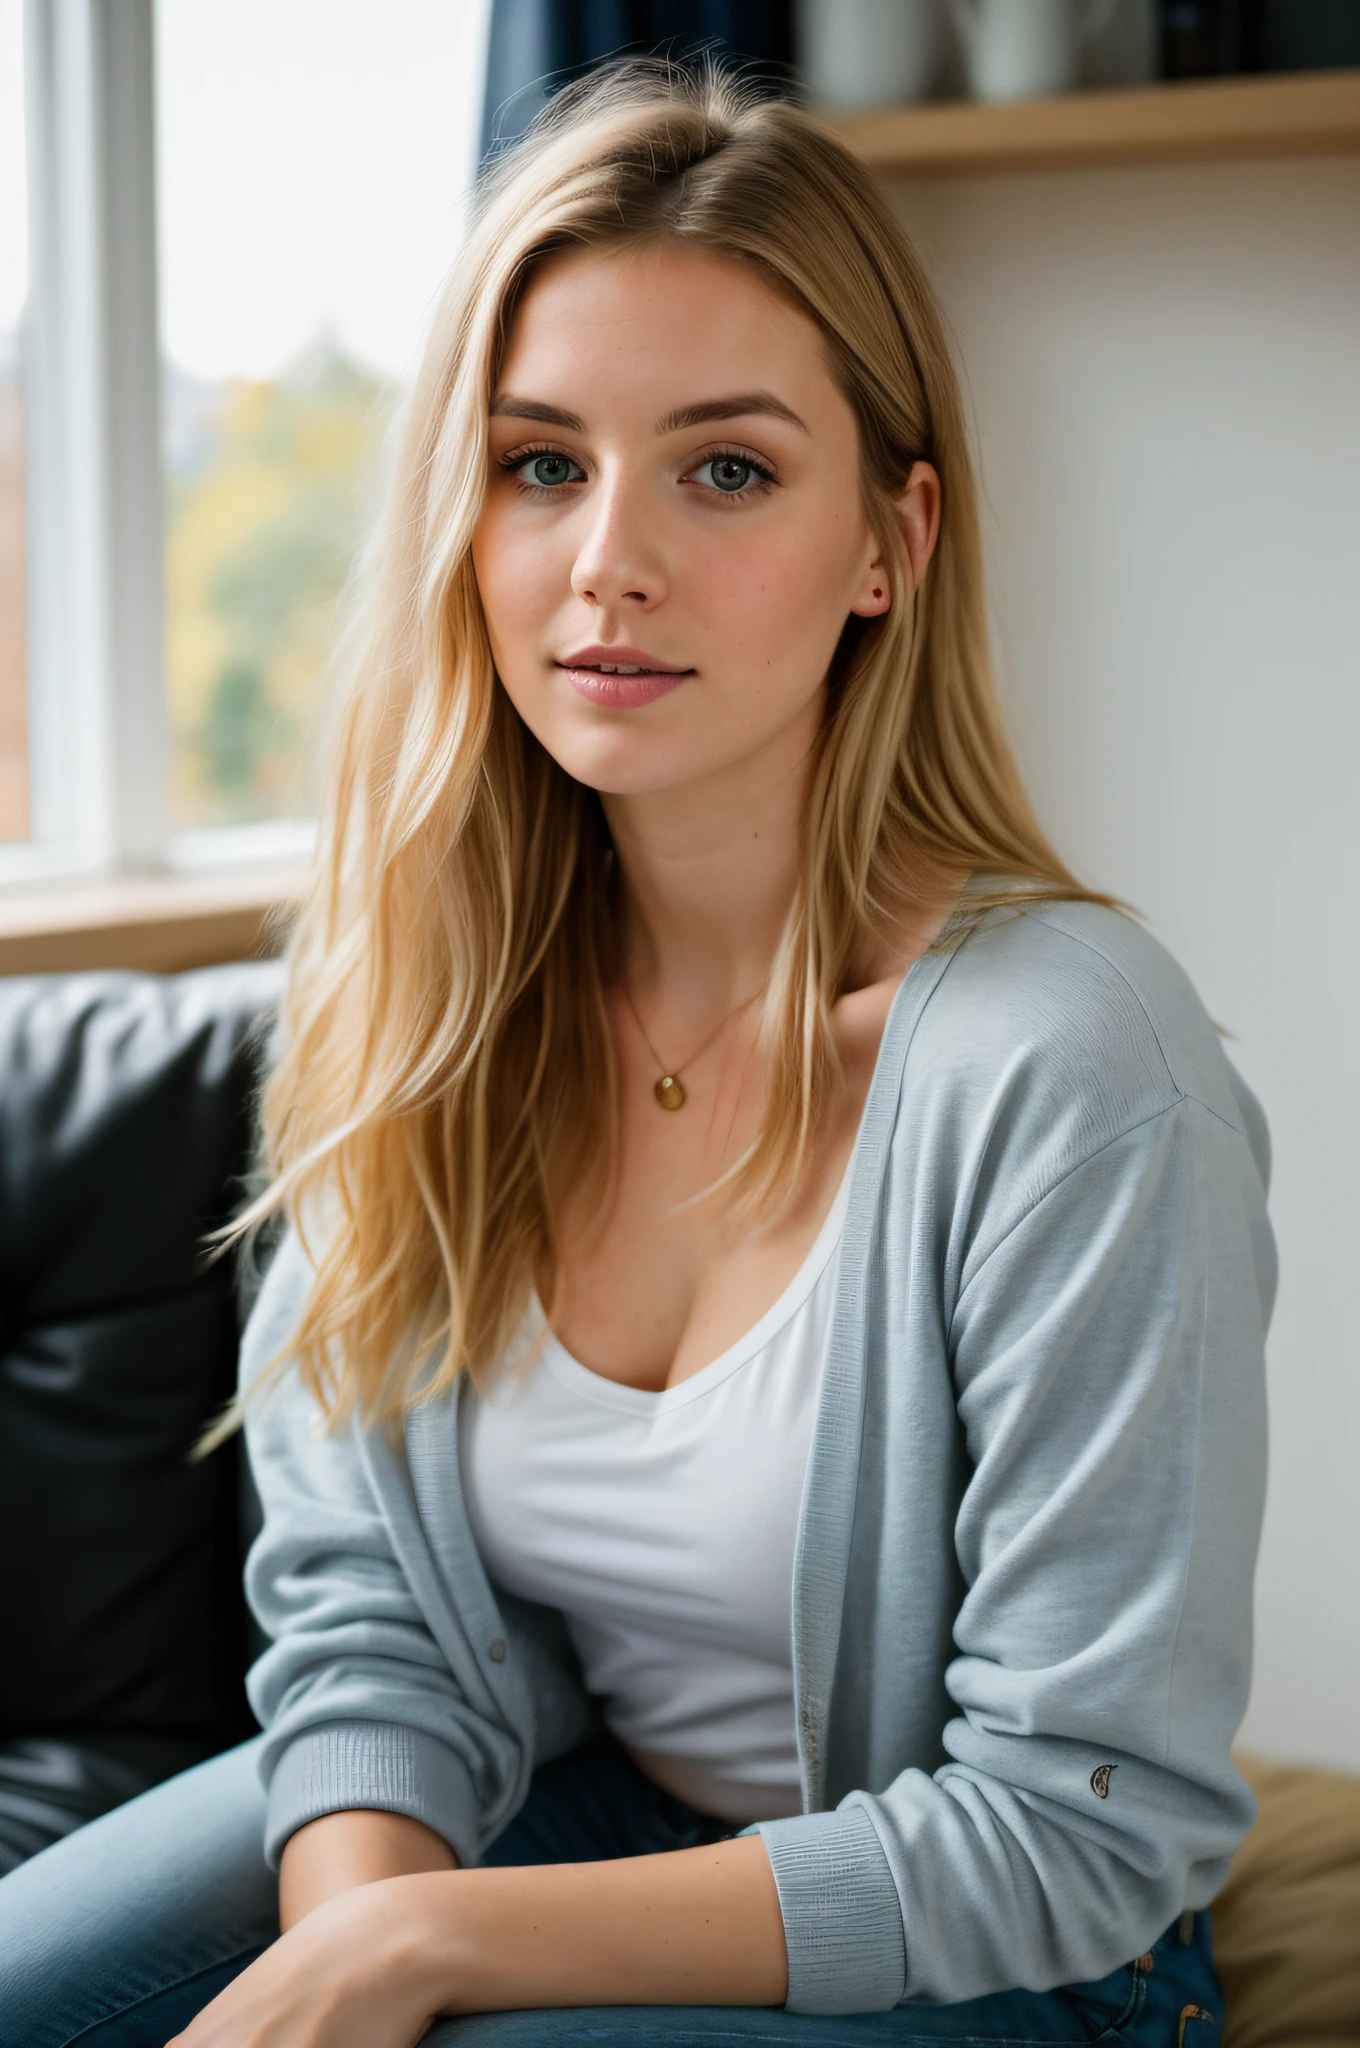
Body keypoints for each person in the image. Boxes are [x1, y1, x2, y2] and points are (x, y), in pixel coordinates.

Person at [0, 61, 1272, 2048]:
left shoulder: (1070, 1065)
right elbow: (369, 1629)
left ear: (889, 541)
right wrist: (357, 1934)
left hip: (1013, 1951)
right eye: (535, 463)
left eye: (725, 468)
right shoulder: (412, 998)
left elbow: (1074, 1824)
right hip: (574, 1822)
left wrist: (424, 1955)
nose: (607, 559)